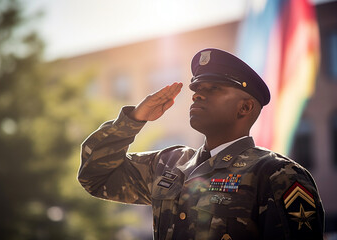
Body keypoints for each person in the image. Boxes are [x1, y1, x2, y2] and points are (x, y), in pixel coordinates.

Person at [78, 48, 325, 240]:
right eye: (197, 88)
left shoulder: (276, 175)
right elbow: (95, 176)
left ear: (245, 107)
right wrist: (133, 120)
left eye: (213, 88)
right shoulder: (169, 164)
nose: (196, 94)